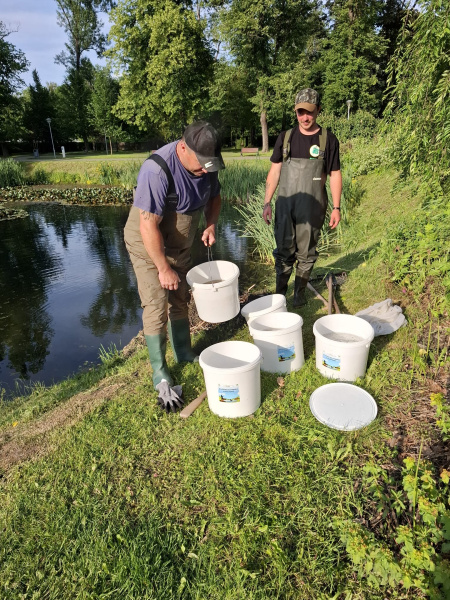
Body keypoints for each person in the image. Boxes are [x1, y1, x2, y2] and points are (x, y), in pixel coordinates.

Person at [124, 121, 224, 412]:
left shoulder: (207, 165)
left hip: (179, 245)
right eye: (201, 163)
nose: (205, 170)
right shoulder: (157, 170)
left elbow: (215, 197)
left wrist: (211, 224)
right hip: (147, 245)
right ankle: (160, 372)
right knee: (156, 303)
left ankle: (183, 352)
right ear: (183, 148)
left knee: (180, 297)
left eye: (210, 164)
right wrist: (162, 268)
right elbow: (148, 225)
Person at [262, 88, 342, 306]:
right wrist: (267, 203)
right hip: (285, 207)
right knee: (283, 252)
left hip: (312, 208)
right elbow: (274, 172)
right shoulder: (285, 138)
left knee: (307, 254)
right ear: (295, 111)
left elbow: (335, 174)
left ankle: (299, 296)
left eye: (310, 112)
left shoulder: (328, 140)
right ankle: (279, 297)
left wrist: (336, 208)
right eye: (300, 112)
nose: (305, 117)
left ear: (318, 110)